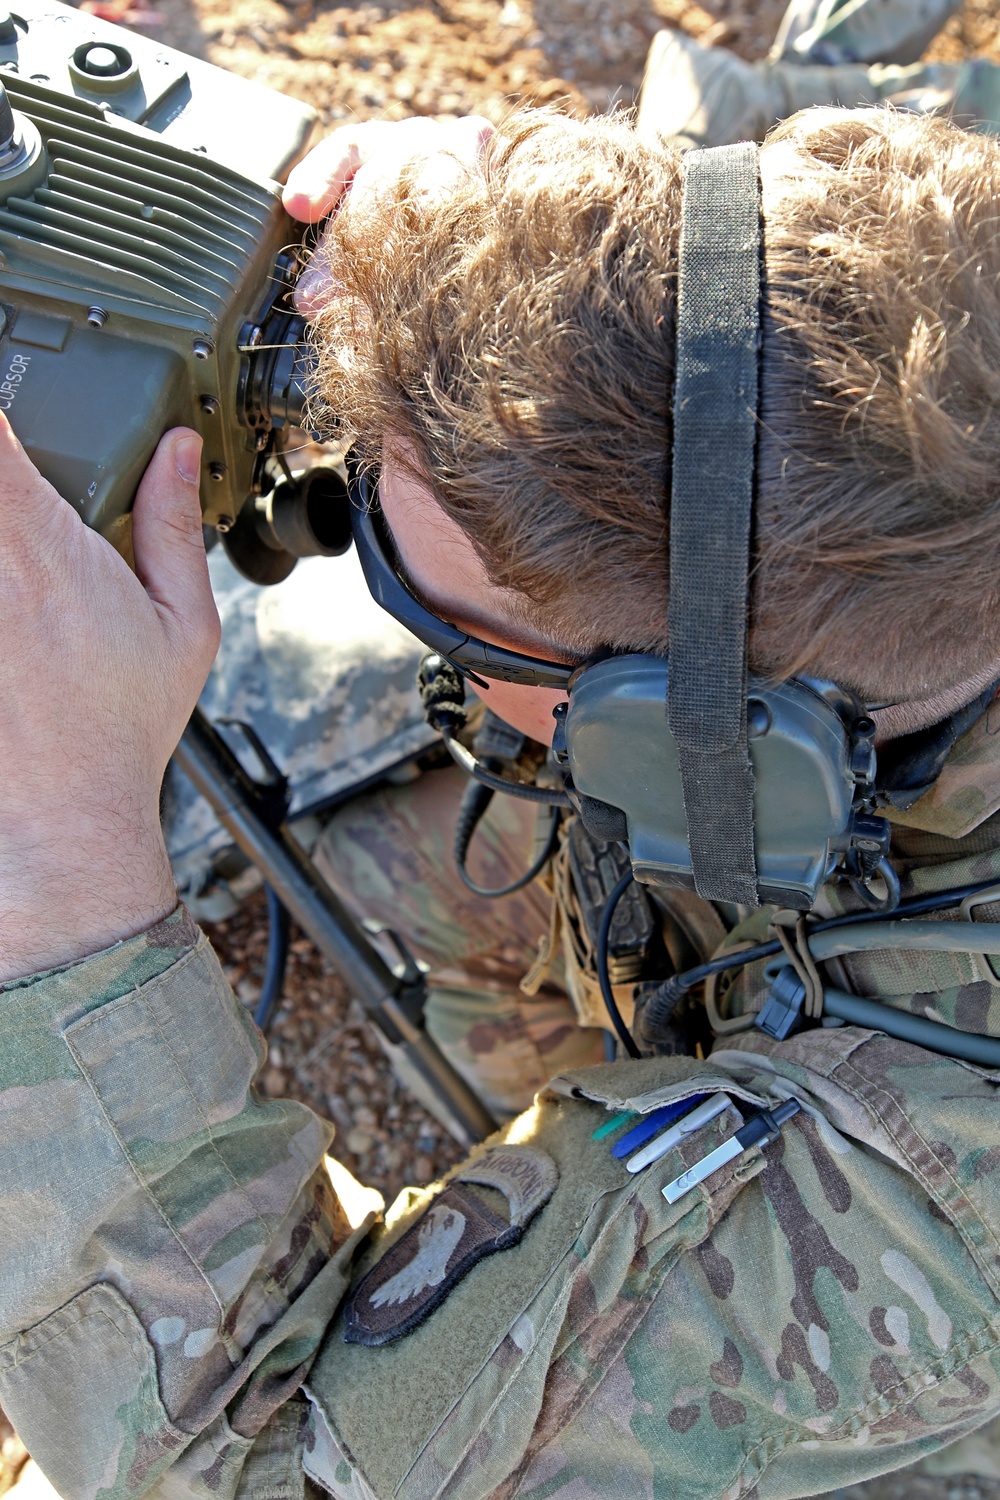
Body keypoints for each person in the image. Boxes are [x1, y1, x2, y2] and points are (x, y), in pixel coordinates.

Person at [5, 98, 1000, 1500]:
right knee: (414, 871)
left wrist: (59, 864)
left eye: (430, 604)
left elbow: (253, 1472)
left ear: (687, 725)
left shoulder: (915, 1200)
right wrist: (508, 250)